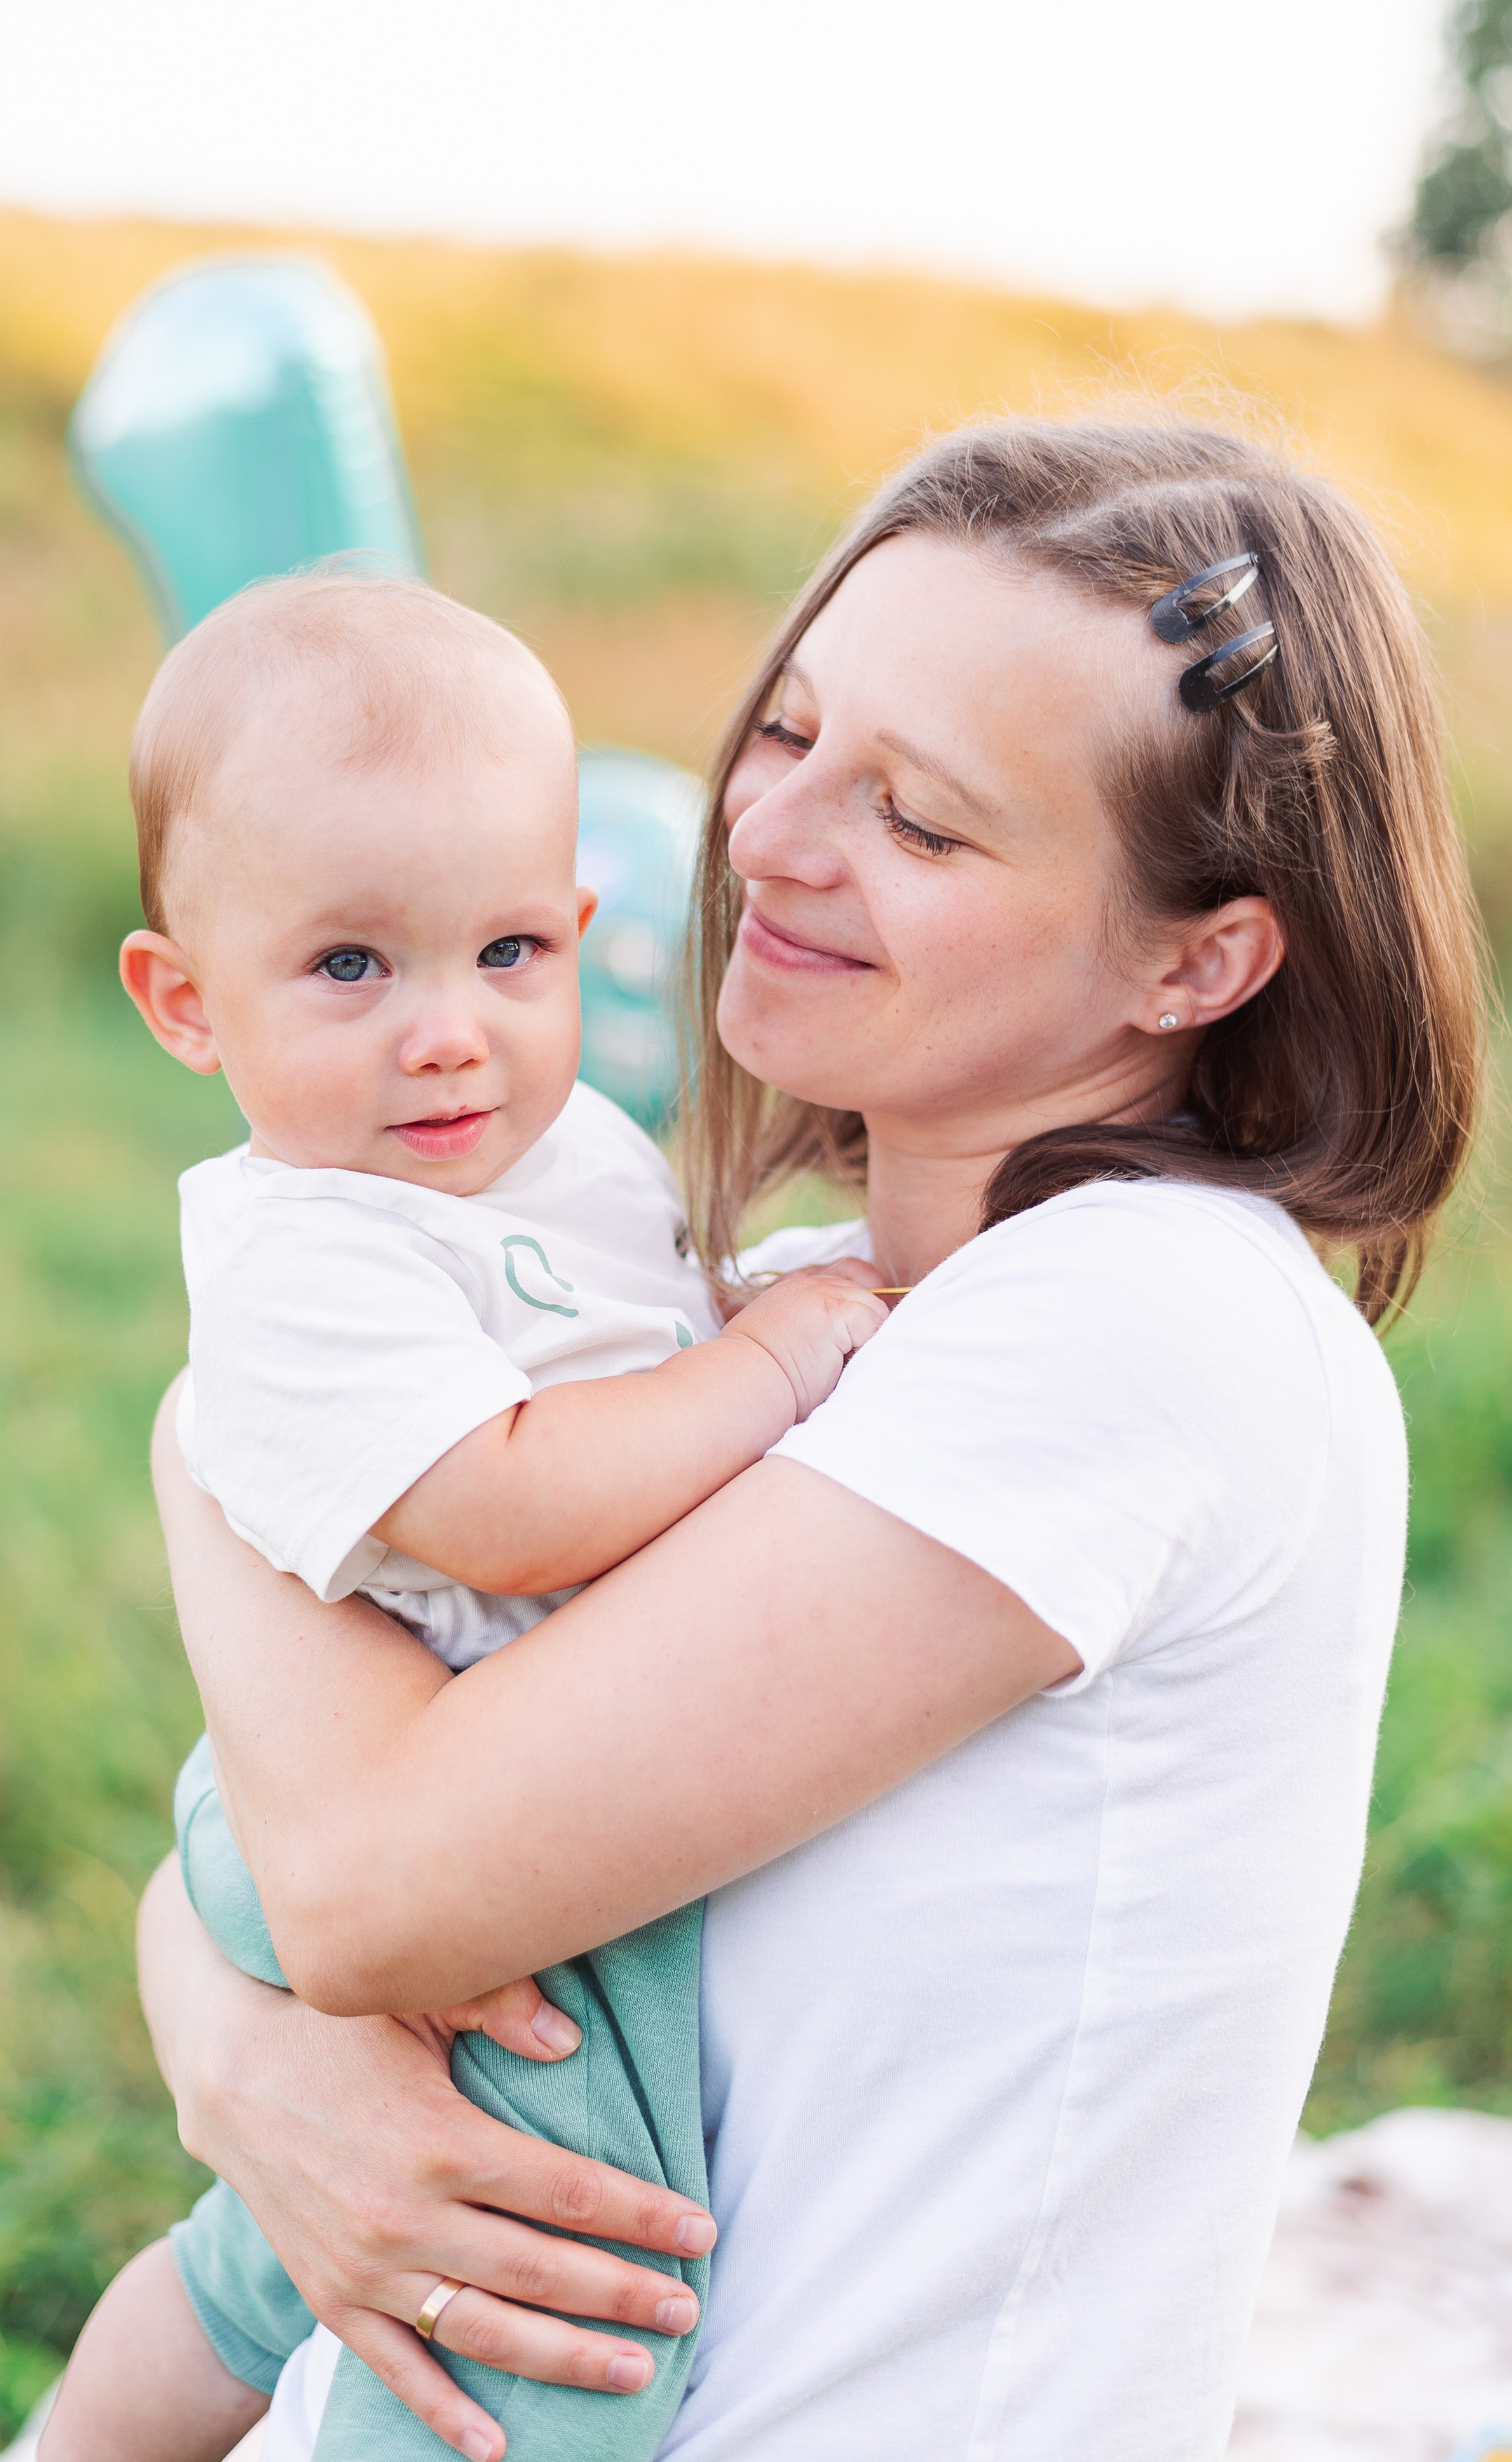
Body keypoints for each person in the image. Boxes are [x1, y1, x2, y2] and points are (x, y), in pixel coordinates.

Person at [137, 419, 1483, 2462]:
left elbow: (358, 1886)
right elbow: (274, 1854)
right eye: (788, 732)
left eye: (918, 821)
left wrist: (214, 1441)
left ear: (1197, 957)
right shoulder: (785, 1308)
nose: (766, 836)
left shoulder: (1143, 1322)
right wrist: (243, 2056)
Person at [40, 573, 886, 2462]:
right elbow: (504, 1503)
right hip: (360, 1781)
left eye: (507, 951)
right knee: (556, 2274)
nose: (447, 1033)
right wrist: (770, 1367)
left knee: (269, 2254)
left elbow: (631, 1337)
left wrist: (742, 1321)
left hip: (439, 1754)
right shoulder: (307, 1246)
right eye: (351, 967)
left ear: (579, 932)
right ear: (185, 1003)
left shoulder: (553, 1151)